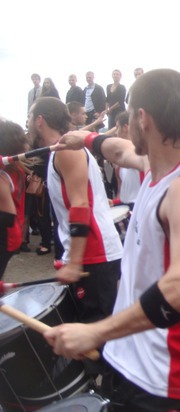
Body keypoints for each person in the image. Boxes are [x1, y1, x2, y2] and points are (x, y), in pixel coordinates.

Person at [44, 69, 180, 411]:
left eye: (128, 117)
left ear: (142, 118)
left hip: (166, 377)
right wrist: (84, 138)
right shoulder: (155, 167)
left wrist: (96, 332)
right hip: (132, 362)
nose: (124, 127)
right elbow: (119, 150)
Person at [27, 96, 122, 323]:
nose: (27, 122)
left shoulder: (67, 150)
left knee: (96, 333)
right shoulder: (61, 149)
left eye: (29, 116)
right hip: (89, 254)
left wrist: (75, 262)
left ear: (39, 120)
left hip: (94, 254)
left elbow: (80, 204)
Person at [0, 120, 27, 279]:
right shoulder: (15, 168)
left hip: (6, 236)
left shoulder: (4, 175)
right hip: (12, 233)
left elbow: (6, 217)